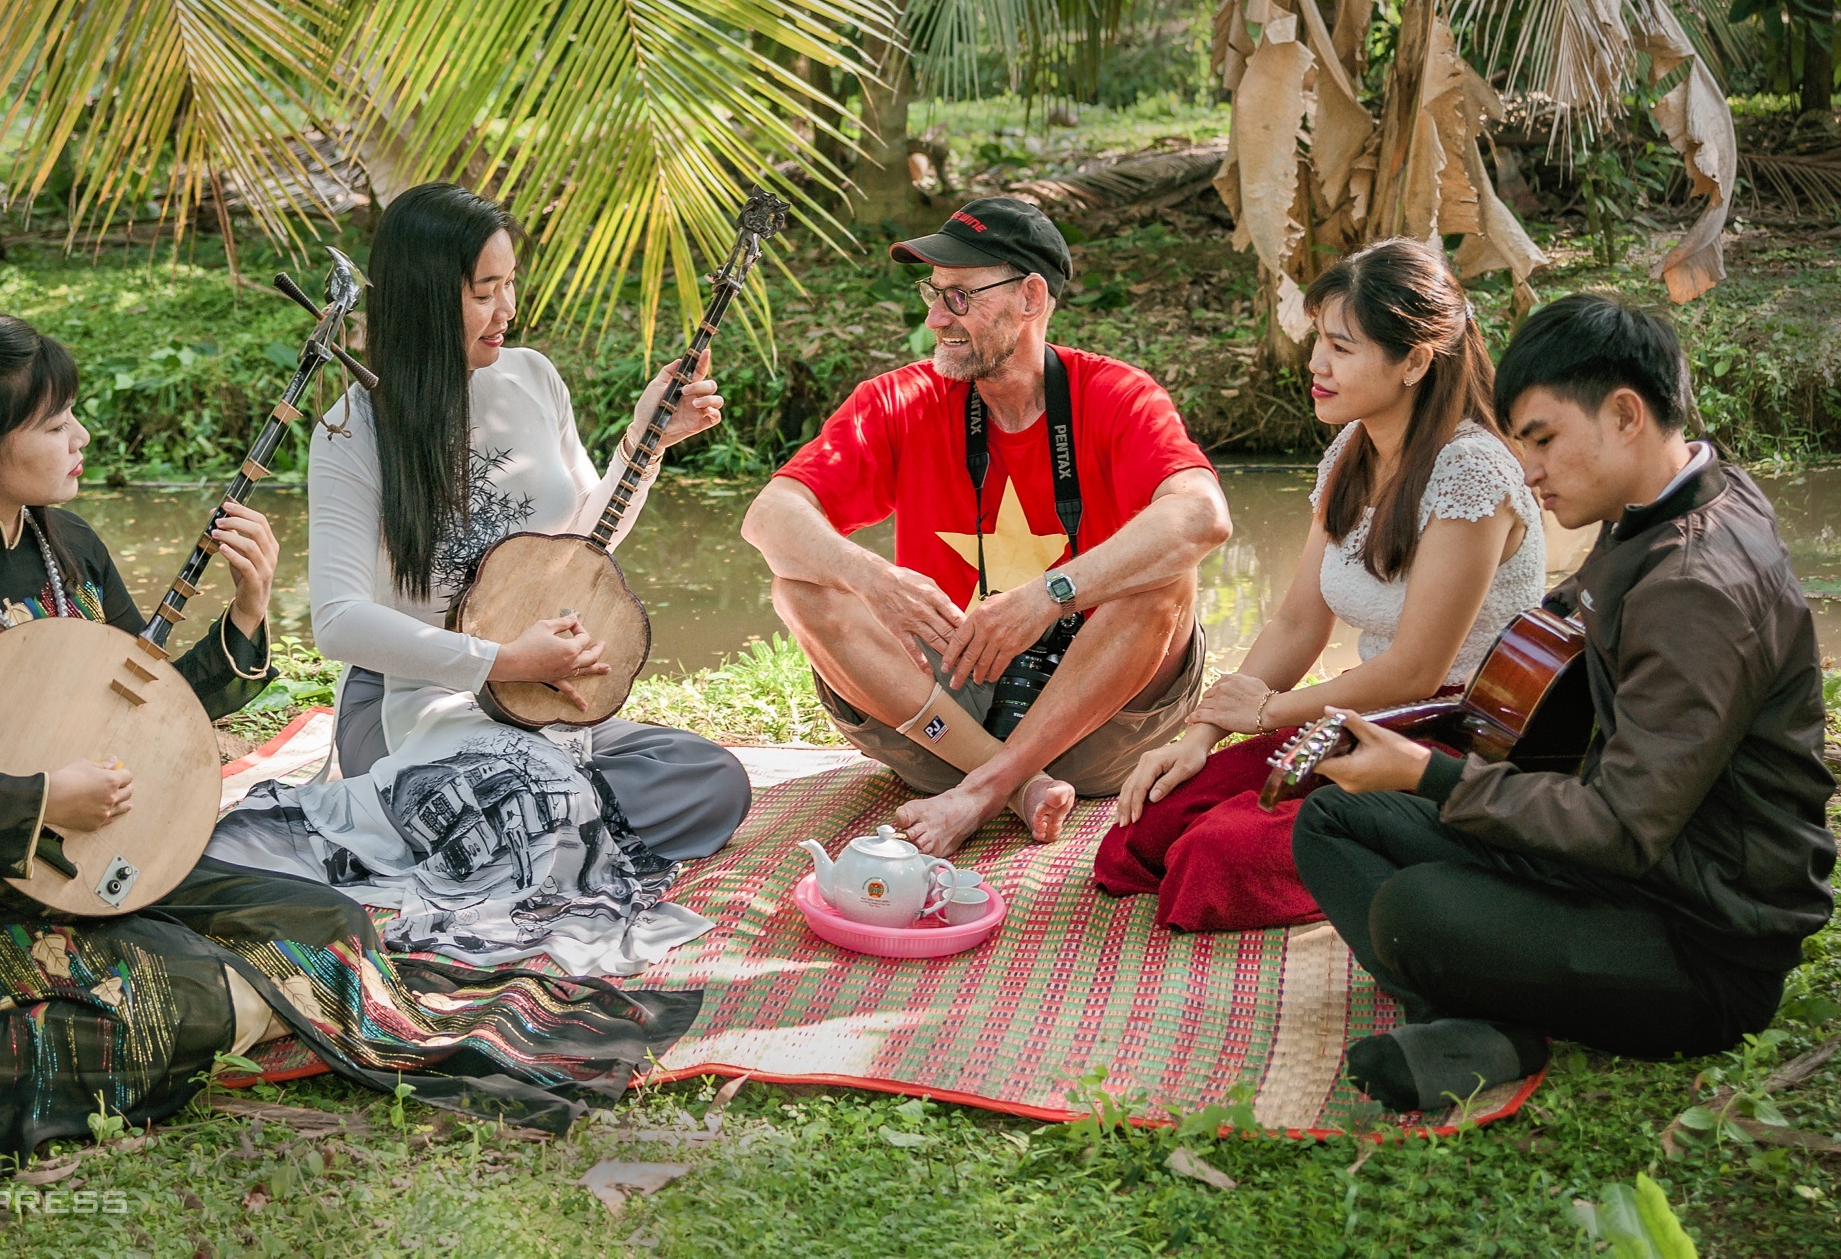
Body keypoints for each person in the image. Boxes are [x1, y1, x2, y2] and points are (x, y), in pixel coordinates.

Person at [0, 313, 697, 1181]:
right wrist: (36, 800)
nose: (82, 433)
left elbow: (152, 712)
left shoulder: (65, 550)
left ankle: (119, 1012)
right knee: (203, 997)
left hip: (91, 870)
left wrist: (245, 615)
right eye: (54, 421)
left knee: (327, 925)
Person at [1291, 292, 1836, 1113]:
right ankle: (1470, 1021)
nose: (1529, 469)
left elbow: (1620, 825)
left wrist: (1430, 777)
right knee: (1333, 818)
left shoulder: (1697, 591)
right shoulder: (1671, 504)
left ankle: (1490, 1025)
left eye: (1543, 439)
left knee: (1416, 910)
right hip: (1625, 871)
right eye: (1520, 444)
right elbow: (1573, 627)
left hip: (1700, 939)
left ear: (1624, 415)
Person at [234, 182, 749, 975]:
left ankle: (520, 823)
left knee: (711, 781)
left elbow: (577, 547)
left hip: (531, 706)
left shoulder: (533, 379)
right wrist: (501, 661)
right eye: (484, 291)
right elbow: (335, 622)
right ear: (424, 297)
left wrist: (642, 445)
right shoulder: (353, 431)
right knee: (519, 785)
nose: (507, 308)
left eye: (511, 283)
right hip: (413, 704)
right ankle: (515, 820)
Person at [742, 196, 1230, 859]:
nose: (935, 316)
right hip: (944, 727)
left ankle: (984, 788)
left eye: (960, 296)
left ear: (1031, 297)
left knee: (1169, 578)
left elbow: (1202, 517)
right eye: (933, 293)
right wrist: (873, 578)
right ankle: (1017, 784)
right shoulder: (900, 399)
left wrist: (1046, 598)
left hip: (1094, 718)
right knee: (799, 588)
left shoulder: (1115, 395)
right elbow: (769, 517)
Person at [1093, 240, 1544, 930]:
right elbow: (1300, 624)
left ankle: (1426, 849)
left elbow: (1419, 669)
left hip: (1453, 742)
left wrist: (1273, 713)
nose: (1316, 364)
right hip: (1364, 719)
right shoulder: (1351, 454)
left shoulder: (1471, 473)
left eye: (1341, 346)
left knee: (1209, 863)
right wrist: (1202, 734)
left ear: (1415, 361)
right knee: (1139, 834)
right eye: (1317, 341)